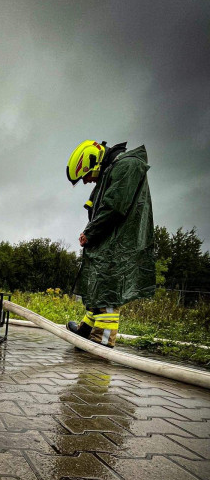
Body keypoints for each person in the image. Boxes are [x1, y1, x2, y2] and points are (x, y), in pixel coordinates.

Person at [65, 139, 156, 347]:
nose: (87, 182)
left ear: (94, 163)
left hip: (119, 243)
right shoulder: (115, 168)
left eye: (86, 176)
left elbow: (114, 207)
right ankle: (87, 330)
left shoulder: (126, 166)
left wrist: (91, 232)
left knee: (108, 290)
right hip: (111, 240)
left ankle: (101, 343)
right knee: (99, 285)